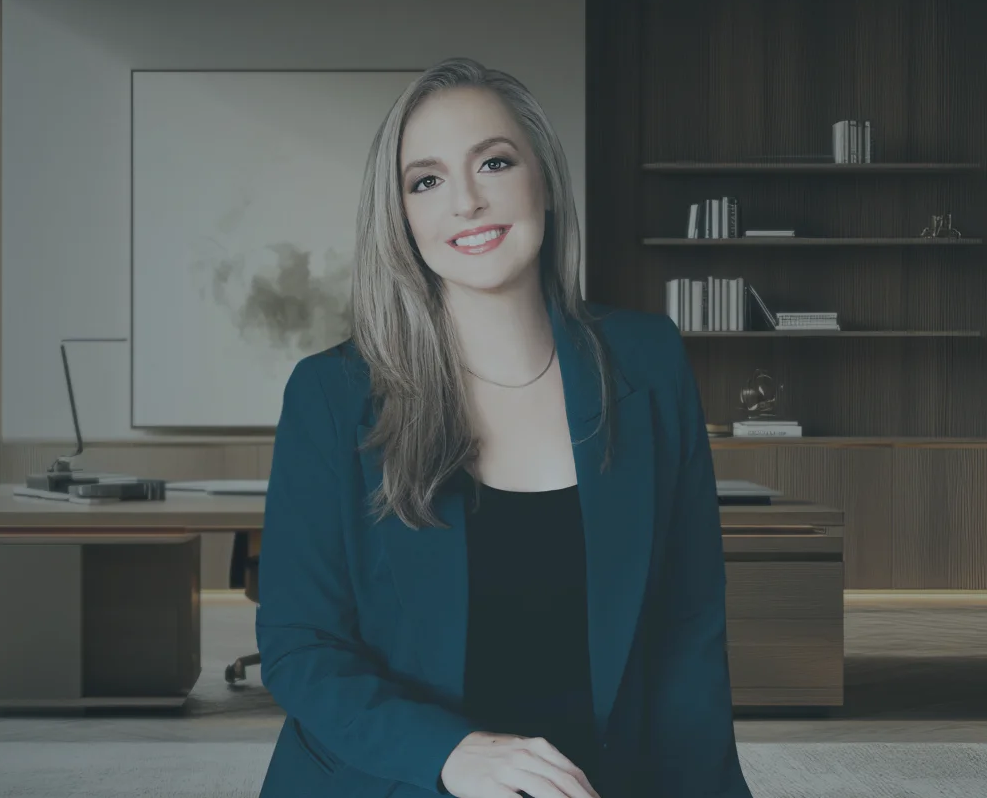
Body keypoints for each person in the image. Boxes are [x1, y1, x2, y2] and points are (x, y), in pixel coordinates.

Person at [254, 57, 754, 798]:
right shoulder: (332, 395)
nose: (466, 201)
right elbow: (301, 646)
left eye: (493, 161)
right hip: (399, 777)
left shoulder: (648, 363)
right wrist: (453, 753)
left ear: (543, 180)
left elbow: (688, 633)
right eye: (425, 180)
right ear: (401, 217)